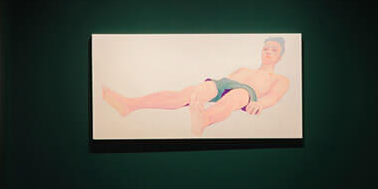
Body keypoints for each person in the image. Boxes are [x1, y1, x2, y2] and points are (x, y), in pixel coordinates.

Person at [103, 36, 290, 136]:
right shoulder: (244, 68)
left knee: (235, 97)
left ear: (280, 56)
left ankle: (204, 119)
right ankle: (130, 104)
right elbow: (225, 82)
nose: (268, 52)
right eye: (266, 48)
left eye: (274, 50)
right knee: (188, 94)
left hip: (247, 93)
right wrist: (210, 88)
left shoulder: (280, 79)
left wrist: (260, 104)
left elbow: (273, 97)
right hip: (224, 83)